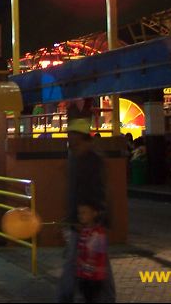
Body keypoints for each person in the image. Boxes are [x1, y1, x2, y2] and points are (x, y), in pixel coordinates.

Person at [56, 120, 115, 303]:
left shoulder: (92, 159)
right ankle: (106, 296)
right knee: (95, 259)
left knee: (82, 260)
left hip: (89, 220)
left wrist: (88, 218)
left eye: (72, 139)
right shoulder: (76, 157)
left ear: (82, 139)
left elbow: (97, 191)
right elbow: (73, 190)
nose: (70, 142)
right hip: (81, 219)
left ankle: (66, 297)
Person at [75, 202, 109, 303]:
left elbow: (96, 257)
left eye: (84, 212)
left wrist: (82, 265)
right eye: (79, 213)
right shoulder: (85, 230)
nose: (80, 215)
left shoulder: (97, 233)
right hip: (85, 276)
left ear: (94, 214)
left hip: (93, 278)